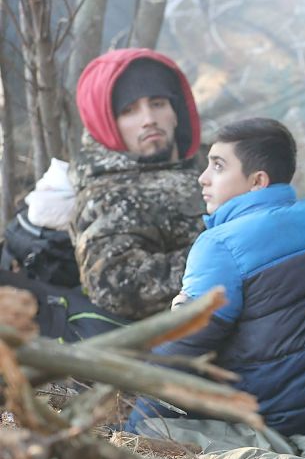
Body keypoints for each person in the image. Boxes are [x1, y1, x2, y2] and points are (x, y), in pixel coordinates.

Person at [125, 118, 305, 436]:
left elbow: (180, 347)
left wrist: (132, 431)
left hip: (273, 415)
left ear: (257, 181)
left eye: (218, 167)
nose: (203, 179)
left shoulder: (218, 247)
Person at [71, 48, 205, 320]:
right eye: (129, 110)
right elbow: (116, 286)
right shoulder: (108, 195)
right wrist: (225, 255)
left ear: (175, 110)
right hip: (194, 348)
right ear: (108, 124)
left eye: (157, 103)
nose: (148, 119)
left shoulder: (214, 159)